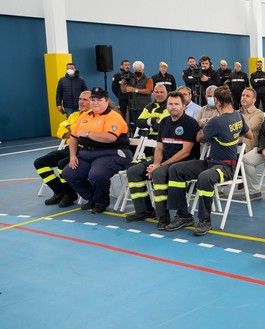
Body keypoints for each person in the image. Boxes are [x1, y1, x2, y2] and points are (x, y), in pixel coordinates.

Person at [166, 87, 251, 235]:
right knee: (176, 169)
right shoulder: (238, 116)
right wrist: (232, 135)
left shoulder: (216, 122)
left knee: (204, 177)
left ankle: (205, 220)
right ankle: (184, 215)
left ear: (217, 101)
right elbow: (249, 135)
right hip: (211, 162)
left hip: (226, 168)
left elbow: (199, 138)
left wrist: (204, 126)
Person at [124, 91, 198, 226]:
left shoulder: (190, 123)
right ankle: (144, 210)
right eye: (170, 104)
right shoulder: (164, 122)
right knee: (133, 172)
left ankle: (163, 216)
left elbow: (185, 152)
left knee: (158, 173)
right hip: (163, 161)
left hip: (181, 163)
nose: (173, 107)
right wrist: (157, 163)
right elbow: (159, 148)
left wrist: (161, 165)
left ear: (183, 106)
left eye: (177, 104)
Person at [62, 87, 133, 214]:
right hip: (88, 153)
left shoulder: (113, 116)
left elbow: (110, 138)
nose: (95, 102)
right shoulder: (84, 116)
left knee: (97, 174)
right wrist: (73, 156)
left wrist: (88, 133)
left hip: (112, 153)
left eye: (99, 100)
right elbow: (73, 138)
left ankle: (101, 202)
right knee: (69, 173)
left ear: (106, 101)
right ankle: (93, 198)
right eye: (93, 99)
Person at [35, 90, 90, 207]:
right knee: (40, 163)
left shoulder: (92, 115)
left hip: (83, 150)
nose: (81, 102)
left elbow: (80, 133)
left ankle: (70, 194)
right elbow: (60, 130)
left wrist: (70, 129)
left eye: (85, 99)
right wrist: (71, 131)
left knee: (62, 164)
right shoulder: (74, 115)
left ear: (92, 102)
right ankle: (59, 191)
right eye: (80, 99)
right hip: (68, 147)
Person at [120, 60, 153, 129]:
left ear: (143, 69)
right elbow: (123, 91)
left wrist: (135, 90)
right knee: (135, 126)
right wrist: (123, 83)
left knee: (145, 126)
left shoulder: (148, 79)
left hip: (144, 107)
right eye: (136, 70)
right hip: (133, 107)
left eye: (139, 70)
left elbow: (149, 91)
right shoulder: (131, 79)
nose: (138, 71)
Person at [239, 87, 264, 153]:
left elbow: (244, 128)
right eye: (243, 95)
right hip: (233, 147)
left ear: (254, 100)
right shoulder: (236, 113)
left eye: (247, 96)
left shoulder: (258, 114)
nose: (244, 97)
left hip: (247, 150)